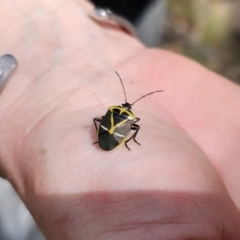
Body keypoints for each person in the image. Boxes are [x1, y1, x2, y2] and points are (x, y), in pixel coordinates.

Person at [0, 0, 240, 239]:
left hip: (133, 14)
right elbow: (127, 126)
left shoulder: (114, 110)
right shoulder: (131, 120)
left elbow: (100, 119)